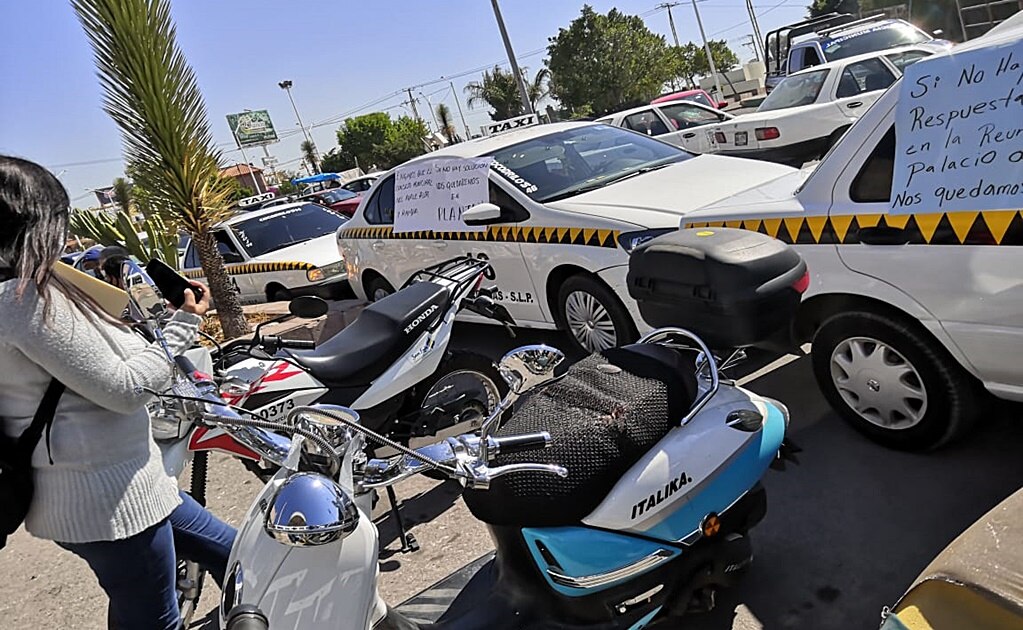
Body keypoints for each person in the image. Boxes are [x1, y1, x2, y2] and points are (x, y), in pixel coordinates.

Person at [0, 156, 235, 630]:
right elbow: (127, 388)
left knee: (238, 557)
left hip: (127, 491)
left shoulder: (24, 296)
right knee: (154, 620)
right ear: (32, 222)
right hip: (109, 504)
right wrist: (186, 323)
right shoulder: (24, 300)